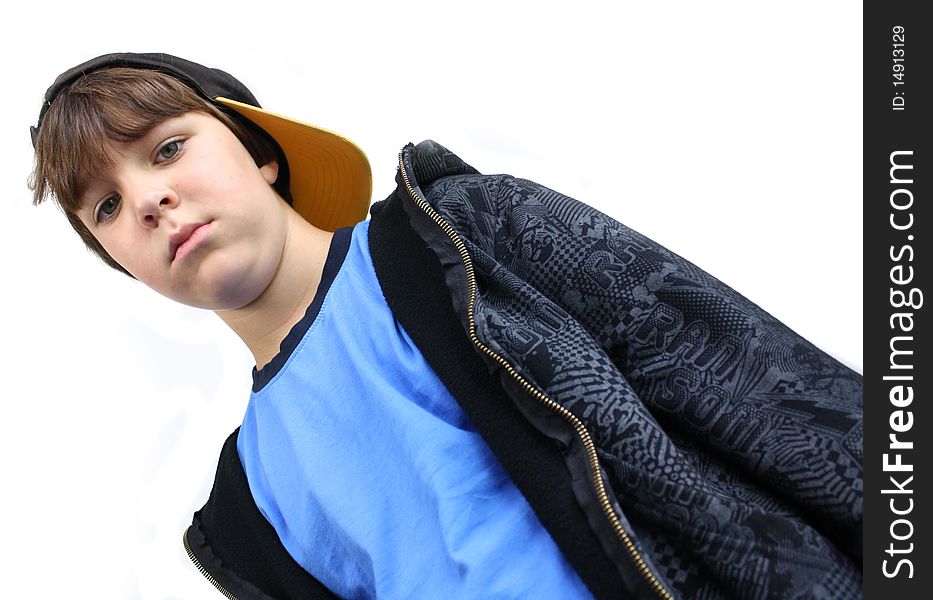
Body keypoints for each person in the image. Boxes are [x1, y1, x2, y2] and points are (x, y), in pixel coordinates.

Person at [30, 52, 863, 600]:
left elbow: (760, 387)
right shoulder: (246, 517)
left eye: (168, 148)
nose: (146, 199)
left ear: (260, 149)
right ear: (121, 262)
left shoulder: (465, 235)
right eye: (105, 206)